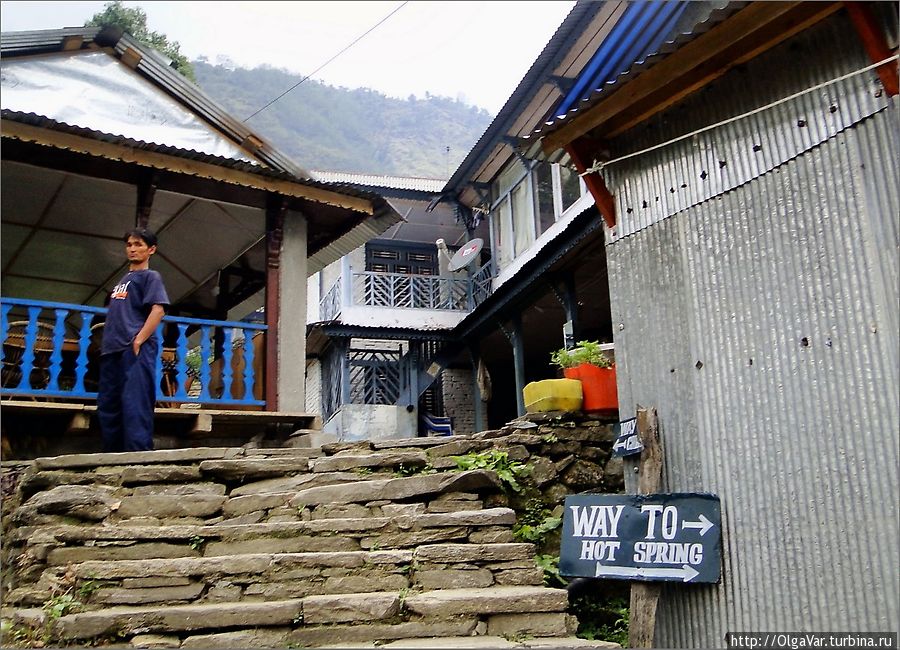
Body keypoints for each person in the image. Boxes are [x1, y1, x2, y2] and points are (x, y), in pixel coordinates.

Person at [97, 228, 170, 452]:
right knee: (108, 405)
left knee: (135, 403)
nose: (132, 248)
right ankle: (113, 457)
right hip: (112, 350)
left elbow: (158, 311)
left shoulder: (151, 277)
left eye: (138, 244)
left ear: (151, 249)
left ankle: (138, 458)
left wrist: (138, 340)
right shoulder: (122, 281)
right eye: (129, 244)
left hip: (134, 349)